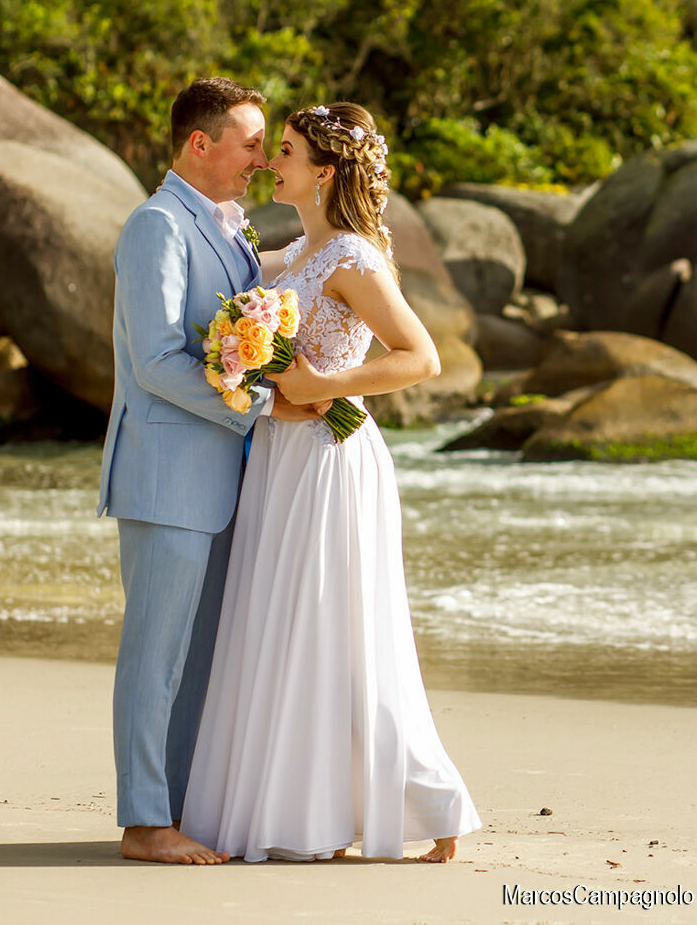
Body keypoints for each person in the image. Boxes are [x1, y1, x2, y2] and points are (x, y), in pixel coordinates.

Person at [179, 101, 482, 863]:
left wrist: (325, 386)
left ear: (324, 171)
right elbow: (264, 346)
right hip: (279, 463)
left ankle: (429, 803)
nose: (268, 161)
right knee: (285, 635)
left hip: (329, 457)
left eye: (282, 150)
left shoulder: (352, 257)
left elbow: (420, 358)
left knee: (340, 633)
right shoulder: (292, 255)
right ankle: (311, 812)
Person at [97, 77, 327, 865]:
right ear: (201, 144)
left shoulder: (231, 231)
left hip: (226, 480)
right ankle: (144, 823)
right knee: (156, 655)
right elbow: (158, 362)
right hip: (166, 474)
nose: (261, 160)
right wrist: (262, 408)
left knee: (202, 658)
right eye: (252, 142)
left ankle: (183, 809)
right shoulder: (156, 226)